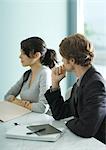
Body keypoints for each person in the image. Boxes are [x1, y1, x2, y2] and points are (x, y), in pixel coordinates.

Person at [45, 33, 106, 144]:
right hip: (82, 141)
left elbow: (87, 128)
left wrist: (68, 122)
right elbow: (60, 113)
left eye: (63, 58)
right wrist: (55, 83)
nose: (62, 62)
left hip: (96, 144)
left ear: (72, 60)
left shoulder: (95, 84)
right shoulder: (82, 80)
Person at [4, 37, 58, 113]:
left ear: (36, 55)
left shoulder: (45, 73)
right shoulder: (27, 74)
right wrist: (21, 103)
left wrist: (18, 102)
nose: (20, 56)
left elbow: (42, 108)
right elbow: (7, 96)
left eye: (23, 53)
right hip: (28, 117)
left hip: (43, 120)